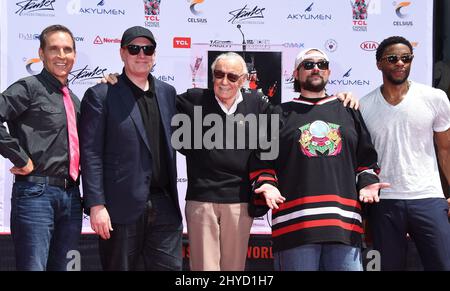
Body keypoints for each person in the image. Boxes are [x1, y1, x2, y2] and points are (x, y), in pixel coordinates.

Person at [103, 52, 359, 271]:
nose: (224, 82)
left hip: (239, 202)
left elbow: (299, 118)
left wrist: (340, 99)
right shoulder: (192, 100)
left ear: (245, 81)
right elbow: (150, 97)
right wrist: (119, 81)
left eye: (232, 77)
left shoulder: (258, 104)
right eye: (219, 74)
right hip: (201, 200)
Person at [248, 48, 389, 271]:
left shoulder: (349, 110)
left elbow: (366, 160)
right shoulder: (277, 114)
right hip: (295, 226)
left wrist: (368, 182)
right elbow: (262, 162)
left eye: (321, 64)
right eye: (308, 64)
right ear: (296, 73)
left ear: (329, 71)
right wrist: (266, 184)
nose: (315, 68)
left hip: (343, 225)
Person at [80, 26, 182, 271]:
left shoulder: (168, 93)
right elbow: (91, 152)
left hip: (165, 204)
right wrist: (96, 205)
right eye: (134, 48)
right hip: (120, 208)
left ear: (155, 55)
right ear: (122, 53)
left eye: (148, 49)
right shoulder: (102, 94)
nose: (141, 54)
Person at [360, 36, 450, 270]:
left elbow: (445, 148)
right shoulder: (364, 105)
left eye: (406, 58)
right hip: (384, 202)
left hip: (428, 197)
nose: (400, 63)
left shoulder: (435, 98)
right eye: (392, 58)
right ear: (379, 63)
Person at [0, 24, 82, 271]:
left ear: (74, 55)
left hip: (72, 199)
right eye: (54, 49)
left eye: (67, 49)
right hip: (36, 195)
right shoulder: (28, 88)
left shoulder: (75, 100)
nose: (61, 55)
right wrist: (20, 157)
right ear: (42, 53)